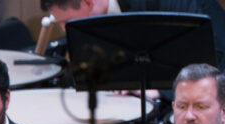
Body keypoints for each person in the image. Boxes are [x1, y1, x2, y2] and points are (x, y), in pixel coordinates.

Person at [41, 0, 225, 72]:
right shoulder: (92, 21)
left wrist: (159, 90)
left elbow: (214, 60)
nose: (65, 30)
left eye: (66, 21)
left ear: (88, 2)